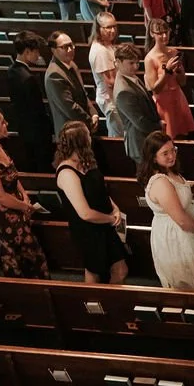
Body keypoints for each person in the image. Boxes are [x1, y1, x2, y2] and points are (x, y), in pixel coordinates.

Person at [0, 109, 49, 279]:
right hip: (3, 216)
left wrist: (24, 195)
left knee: (34, 256)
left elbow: (13, 176)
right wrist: (24, 206)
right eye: (3, 123)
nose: (7, 125)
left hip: (17, 208)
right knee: (22, 259)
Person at [53, 120, 128, 284]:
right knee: (94, 271)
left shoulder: (87, 161)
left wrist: (114, 209)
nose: (90, 137)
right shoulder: (67, 172)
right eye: (87, 134)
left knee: (120, 269)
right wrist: (110, 219)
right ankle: (97, 304)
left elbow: (100, 191)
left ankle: (112, 303)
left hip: (105, 223)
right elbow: (84, 213)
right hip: (88, 230)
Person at [139, 129, 194, 291]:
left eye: (173, 150)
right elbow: (180, 219)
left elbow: (181, 207)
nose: (172, 156)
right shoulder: (160, 182)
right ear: (153, 157)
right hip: (175, 237)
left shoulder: (170, 172)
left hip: (185, 231)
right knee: (188, 283)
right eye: (165, 153)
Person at [6, 31, 53, 171]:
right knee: (43, 165)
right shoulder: (28, 78)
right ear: (27, 52)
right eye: (36, 51)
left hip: (23, 129)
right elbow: (37, 109)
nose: (38, 55)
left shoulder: (11, 71)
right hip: (37, 132)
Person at [113, 42, 162, 168]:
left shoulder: (130, 77)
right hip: (141, 143)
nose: (136, 66)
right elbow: (140, 122)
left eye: (137, 62)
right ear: (118, 62)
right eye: (131, 63)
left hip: (147, 139)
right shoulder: (123, 90)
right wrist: (159, 127)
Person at [144, 18, 194, 139]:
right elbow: (155, 89)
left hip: (178, 97)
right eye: (160, 33)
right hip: (164, 103)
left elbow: (182, 82)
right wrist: (167, 72)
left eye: (166, 32)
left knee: (184, 136)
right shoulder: (150, 58)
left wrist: (181, 73)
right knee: (168, 137)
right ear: (152, 34)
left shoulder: (173, 52)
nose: (165, 36)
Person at [44, 28, 97, 136]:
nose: (70, 50)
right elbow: (70, 107)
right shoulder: (54, 75)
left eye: (71, 45)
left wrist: (94, 113)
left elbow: (83, 93)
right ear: (53, 50)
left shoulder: (71, 64)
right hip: (70, 134)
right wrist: (89, 121)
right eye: (64, 47)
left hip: (83, 129)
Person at [88, 12, 122, 138]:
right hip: (111, 100)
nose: (112, 31)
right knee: (117, 135)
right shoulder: (100, 51)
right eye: (108, 27)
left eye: (114, 26)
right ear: (98, 29)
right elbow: (110, 82)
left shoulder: (107, 45)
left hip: (113, 98)